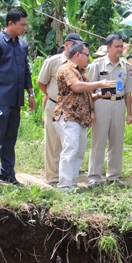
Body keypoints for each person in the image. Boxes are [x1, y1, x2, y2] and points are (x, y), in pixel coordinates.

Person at [0, 8, 35, 184]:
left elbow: (26, 70)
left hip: (15, 99)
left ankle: (7, 172)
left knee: (11, 137)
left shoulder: (22, 45)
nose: (24, 28)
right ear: (10, 23)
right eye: (22, 25)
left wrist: (30, 93)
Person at [53, 42, 114, 190]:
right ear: (77, 54)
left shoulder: (82, 72)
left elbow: (84, 95)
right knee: (70, 150)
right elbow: (76, 87)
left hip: (81, 118)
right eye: (86, 55)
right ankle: (64, 185)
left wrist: (99, 94)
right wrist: (99, 83)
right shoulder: (66, 69)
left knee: (79, 152)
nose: (88, 58)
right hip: (68, 116)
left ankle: (72, 183)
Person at [87, 33, 132, 187]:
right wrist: (91, 111)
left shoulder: (126, 67)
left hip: (119, 105)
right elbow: (88, 90)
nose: (120, 49)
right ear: (108, 47)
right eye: (116, 47)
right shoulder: (97, 65)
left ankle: (113, 176)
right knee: (98, 140)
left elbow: (128, 92)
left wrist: (129, 113)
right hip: (101, 103)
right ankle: (94, 177)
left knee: (117, 141)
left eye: (121, 46)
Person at [37, 32, 83, 186]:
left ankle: (66, 177)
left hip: (72, 109)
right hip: (54, 104)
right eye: (76, 45)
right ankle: (53, 177)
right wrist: (53, 97)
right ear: (67, 44)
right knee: (53, 142)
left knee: (70, 143)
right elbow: (41, 83)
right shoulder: (53, 62)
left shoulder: (79, 63)